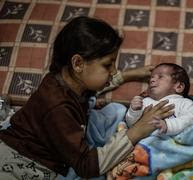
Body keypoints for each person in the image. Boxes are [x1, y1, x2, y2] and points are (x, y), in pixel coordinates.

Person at [0, 16, 174, 179]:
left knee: (115, 111)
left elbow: (96, 87)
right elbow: (86, 166)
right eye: (107, 65)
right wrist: (137, 131)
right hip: (24, 160)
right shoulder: (58, 108)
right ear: (78, 63)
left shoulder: (68, 79)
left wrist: (128, 75)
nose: (113, 71)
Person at [126, 63, 193, 135]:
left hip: (175, 142)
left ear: (179, 87)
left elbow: (191, 120)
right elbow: (131, 126)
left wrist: (168, 125)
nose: (152, 80)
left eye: (160, 77)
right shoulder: (145, 101)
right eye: (151, 78)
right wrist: (134, 111)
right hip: (148, 142)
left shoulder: (185, 103)